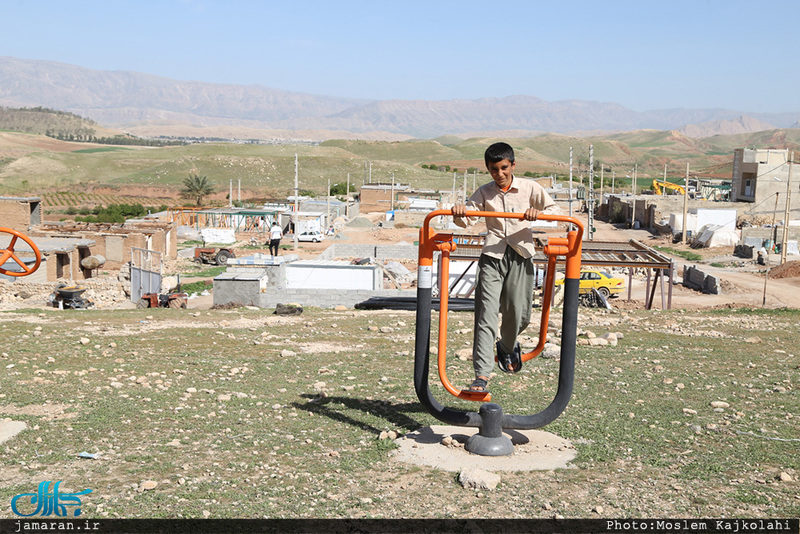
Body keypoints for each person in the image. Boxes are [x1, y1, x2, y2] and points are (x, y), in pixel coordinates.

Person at [451, 142, 561, 393]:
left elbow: (555, 211)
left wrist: (538, 214)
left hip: (521, 253)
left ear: (512, 165)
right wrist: (460, 212)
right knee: (486, 315)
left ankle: (507, 347)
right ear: (488, 170)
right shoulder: (485, 192)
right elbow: (467, 218)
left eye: (503, 168)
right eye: (493, 170)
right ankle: (481, 375)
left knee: (520, 314)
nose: (499, 174)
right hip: (493, 255)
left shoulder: (530, 188)